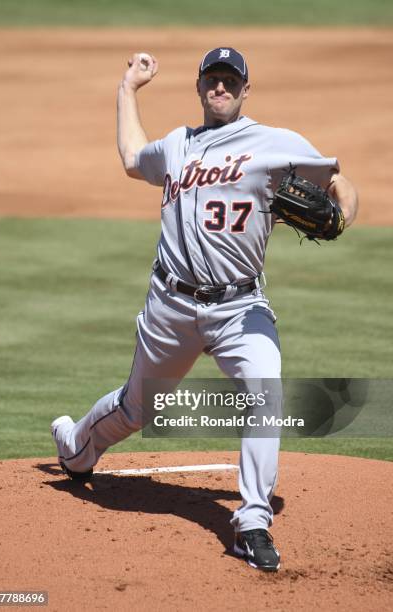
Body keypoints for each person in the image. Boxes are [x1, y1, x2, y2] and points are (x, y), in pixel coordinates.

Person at [51, 47, 358, 572]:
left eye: (229, 81)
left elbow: (338, 181)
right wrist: (127, 89)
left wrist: (342, 216)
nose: (220, 88)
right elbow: (131, 158)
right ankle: (76, 447)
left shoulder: (276, 144)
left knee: (267, 390)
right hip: (170, 306)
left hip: (241, 308)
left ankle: (252, 521)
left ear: (245, 89)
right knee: (136, 411)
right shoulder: (177, 145)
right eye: (212, 80)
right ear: (199, 89)